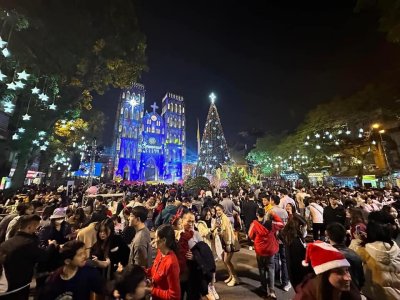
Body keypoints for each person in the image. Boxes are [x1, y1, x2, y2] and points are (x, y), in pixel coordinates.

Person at [0, 215, 57, 300]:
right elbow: (44, 256)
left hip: (5, 284)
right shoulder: (28, 244)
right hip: (19, 287)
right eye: (36, 227)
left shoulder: (6, 243)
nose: (37, 230)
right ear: (30, 227)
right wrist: (52, 245)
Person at [353, 211, 400, 299]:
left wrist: (357, 241)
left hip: (373, 295)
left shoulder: (363, 250)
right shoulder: (397, 249)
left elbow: (351, 259)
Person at [38, 240, 105, 299]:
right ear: (67, 261)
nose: (85, 256)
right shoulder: (53, 280)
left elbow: (102, 285)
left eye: (84, 252)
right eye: (80, 254)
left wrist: (113, 291)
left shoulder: (88, 271)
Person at [294, 241, 361, 300]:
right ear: (324, 275)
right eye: (339, 272)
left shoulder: (351, 291)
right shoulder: (305, 296)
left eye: (346, 270)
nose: (348, 278)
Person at [248, 208, 284, 299]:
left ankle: (264, 289)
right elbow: (281, 224)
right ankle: (272, 291)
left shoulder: (254, 224)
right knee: (271, 269)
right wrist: (274, 214)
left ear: (257, 214)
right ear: (264, 214)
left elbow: (250, 235)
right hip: (270, 250)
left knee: (262, 269)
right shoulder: (271, 224)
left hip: (260, 250)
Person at [326, 222, 365, 290]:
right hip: (354, 293)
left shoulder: (327, 256)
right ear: (345, 238)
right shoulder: (355, 254)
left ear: (328, 237)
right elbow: (361, 279)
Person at [177, 212, 206, 299]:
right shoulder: (177, 234)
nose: (191, 224)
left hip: (193, 273)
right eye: (189, 221)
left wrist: (195, 257)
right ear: (182, 221)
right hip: (179, 274)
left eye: (193, 222)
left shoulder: (197, 235)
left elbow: (204, 253)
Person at [148, 224, 181, 300]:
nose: (153, 239)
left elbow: (174, 296)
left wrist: (151, 290)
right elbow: (155, 272)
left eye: (156, 237)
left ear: (163, 240)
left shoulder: (171, 263)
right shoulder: (160, 252)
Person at [280, 214, 313, 289]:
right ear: (300, 227)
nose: (306, 230)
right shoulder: (295, 241)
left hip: (294, 274)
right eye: (305, 228)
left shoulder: (290, 237)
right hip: (299, 276)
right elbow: (300, 260)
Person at [213, 204, 239, 287]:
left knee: (227, 261)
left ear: (223, 210)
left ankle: (235, 278)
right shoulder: (220, 218)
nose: (218, 212)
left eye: (219, 210)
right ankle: (231, 276)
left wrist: (228, 243)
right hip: (225, 242)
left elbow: (227, 231)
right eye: (216, 210)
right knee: (225, 261)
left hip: (229, 242)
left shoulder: (225, 219)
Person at [197, 208, 219, 300]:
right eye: (207, 215)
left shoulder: (212, 222)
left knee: (213, 268)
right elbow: (203, 233)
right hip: (205, 249)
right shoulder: (200, 223)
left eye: (210, 214)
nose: (208, 216)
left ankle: (212, 286)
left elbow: (214, 235)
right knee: (207, 270)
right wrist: (212, 229)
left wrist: (217, 230)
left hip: (213, 248)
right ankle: (208, 288)